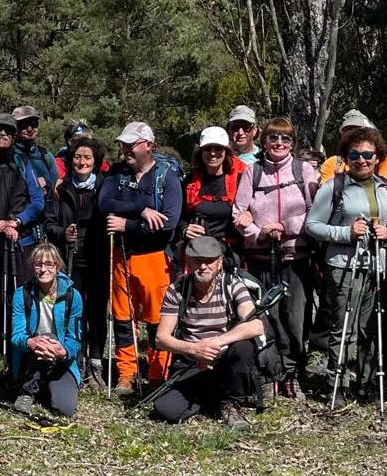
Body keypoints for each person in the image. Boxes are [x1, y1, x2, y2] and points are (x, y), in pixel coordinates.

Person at [304, 128, 387, 409]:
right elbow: (312, 225)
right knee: (343, 326)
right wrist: (346, 233)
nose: (361, 160)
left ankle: (365, 382)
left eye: (368, 154)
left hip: (377, 264)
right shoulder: (334, 186)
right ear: (345, 157)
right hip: (344, 265)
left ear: (377, 157)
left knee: (371, 327)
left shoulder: (384, 186)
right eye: (354, 155)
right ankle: (337, 384)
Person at [234, 117, 318, 397]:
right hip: (259, 256)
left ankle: (292, 372)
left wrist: (287, 227)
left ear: (292, 143)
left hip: (295, 255)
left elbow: (314, 211)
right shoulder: (253, 172)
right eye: (273, 138)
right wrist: (259, 231)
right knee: (264, 317)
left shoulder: (303, 169)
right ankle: (269, 373)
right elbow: (239, 213)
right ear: (265, 141)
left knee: (295, 318)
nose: (279, 144)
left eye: (285, 139)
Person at [99, 121, 183, 392]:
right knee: (123, 318)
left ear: (148, 145)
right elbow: (104, 202)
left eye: (131, 145)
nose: (125, 150)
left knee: (156, 319)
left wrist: (127, 224)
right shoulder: (117, 173)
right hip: (121, 255)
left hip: (154, 257)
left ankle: (158, 373)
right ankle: (127, 373)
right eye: (123, 144)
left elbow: (168, 223)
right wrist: (143, 210)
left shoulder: (167, 177)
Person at [152, 235, 268, 428]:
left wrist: (216, 343)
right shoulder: (176, 290)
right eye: (197, 261)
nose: (203, 267)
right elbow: (161, 339)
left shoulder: (233, 284)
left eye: (209, 261)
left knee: (244, 346)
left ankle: (232, 403)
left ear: (220, 263)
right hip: (191, 362)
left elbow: (256, 325)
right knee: (165, 409)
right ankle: (214, 401)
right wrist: (195, 349)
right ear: (188, 262)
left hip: (224, 359)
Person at [0, 113, 44, 348]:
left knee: (22, 296)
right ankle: (3, 334)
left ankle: (21, 342)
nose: (3, 134)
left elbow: (37, 201)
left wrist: (17, 221)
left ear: (14, 136)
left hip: (21, 240)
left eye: (8, 131)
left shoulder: (23, 162)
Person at [43, 134, 108, 387]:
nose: (82, 162)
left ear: (96, 161)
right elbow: (49, 222)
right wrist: (63, 233)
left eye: (87, 157)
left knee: (97, 312)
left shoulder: (105, 186)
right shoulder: (60, 187)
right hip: (70, 256)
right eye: (78, 157)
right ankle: (75, 360)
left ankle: (96, 362)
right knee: (73, 311)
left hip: (99, 255)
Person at [8, 242, 83, 418]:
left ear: (57, 266)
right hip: (31, 356)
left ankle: (44, 386)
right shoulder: (22, 294)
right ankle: (27, 391)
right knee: (46, 337)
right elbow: (16, 335)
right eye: (38, 264)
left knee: (65, 408)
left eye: (49, 264)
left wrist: (63, 351)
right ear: (32, 266)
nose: (43, 269)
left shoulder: (73, 296)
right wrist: (31, 342)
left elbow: (75, 339)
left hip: (61, 359)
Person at [182, 126, 249, 257]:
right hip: (197, 251)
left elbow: (253, 210)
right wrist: (184, 229)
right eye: (207, 148)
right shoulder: (190, 181)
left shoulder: (240, 179)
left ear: (226, 152)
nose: (212, 153)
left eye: (218, 148)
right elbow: (180, 217)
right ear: (200, 152)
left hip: (230, 252)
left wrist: (248, 214)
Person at [317, 110, 387, 183]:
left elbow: (386, 188)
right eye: (348, 131)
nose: (361, 161)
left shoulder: (384, 161)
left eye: (358, 131)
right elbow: (327, 192)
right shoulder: (333, 163)